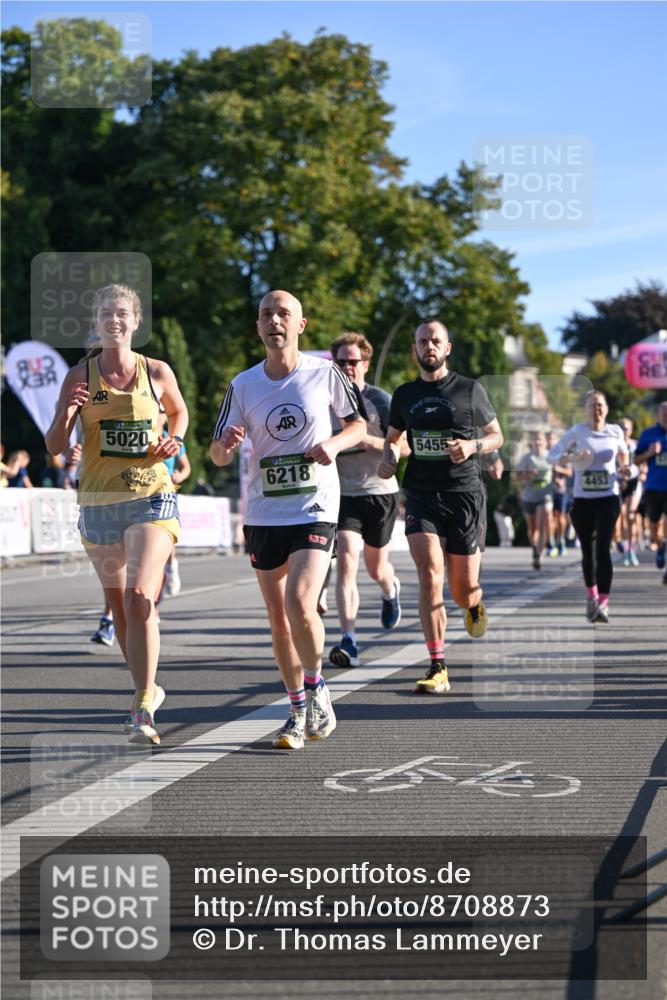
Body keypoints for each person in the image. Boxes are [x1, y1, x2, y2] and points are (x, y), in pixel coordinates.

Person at [210, 289, 365, 749]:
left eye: (283, 313)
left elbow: (358, 425)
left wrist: (334, 445)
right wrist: (226, 445)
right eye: (266, 314)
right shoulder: (243, 385)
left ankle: (316, 687)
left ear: (301, 324)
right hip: (264, 511)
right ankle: (297, 711)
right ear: (258, 326)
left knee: (300, 602)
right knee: (279, 618)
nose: (274, 320)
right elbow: (216, 454)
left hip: (314, 506)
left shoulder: (325, 372)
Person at [45, 283, 188, 744]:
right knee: (121, 610)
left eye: (122, 312)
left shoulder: (157, 370)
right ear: (96, 320)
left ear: (135, 321)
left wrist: (175, 440)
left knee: (140, 597)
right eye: (106, 312)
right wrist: (67, 415)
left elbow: (179, 412)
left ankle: (143, 705)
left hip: (152, 496)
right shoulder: (80, 376)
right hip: (98, 502)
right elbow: (54, 445)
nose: (114, 320)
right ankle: (147, 687)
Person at [378, 319, 503, 694]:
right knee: (430, 573)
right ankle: (438, 665)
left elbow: (496, 436)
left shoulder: (469, 389)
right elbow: (394, 439)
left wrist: (472, 446)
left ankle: (473, 603)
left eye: (435, 341)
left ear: (447, 348)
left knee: (463, 590)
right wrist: (389, 457)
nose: (428, 346)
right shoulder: (405, 394)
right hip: (421, 494)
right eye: (422, 341)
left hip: (464, 495)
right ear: (414, 349)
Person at [327, 332, 407, 668]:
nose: (347, 367)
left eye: (353, 361)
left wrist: (365, 441)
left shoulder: (381, 400)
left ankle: (390, 589)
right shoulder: (324, 400)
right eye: (341, 362)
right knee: (346, 560)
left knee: (376, 568)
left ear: (365, 364)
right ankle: (349, 640)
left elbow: (405, 446)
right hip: (342, 494)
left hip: (379, 492)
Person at [547, 391, 629, 623]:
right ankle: (591, 595)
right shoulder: (576, 432)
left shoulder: (615, 431)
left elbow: (624, 455)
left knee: (603, 548)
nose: (597, 409)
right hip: (583, 501)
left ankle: (603, 602)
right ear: (585, 410)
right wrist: (572, 458)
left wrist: (625, 468)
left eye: (600, 405)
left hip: (608, 498)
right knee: (588, 551)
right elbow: (552, 457)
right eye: (592, 405)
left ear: (607, 408)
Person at [635, 400, 667, 584]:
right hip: (654, 488)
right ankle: (660, 546)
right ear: (658, 415)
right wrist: (649, 453)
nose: (666, 416)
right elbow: (635, 460)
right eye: (664, 413)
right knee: (654, 530)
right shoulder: (648, 435)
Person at [515, 430, 554, 570]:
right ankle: (535, 548)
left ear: (545, 442)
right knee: (533, 530)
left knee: (542, 525)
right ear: (531, 442)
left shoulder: (551, 456)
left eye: (540, 439)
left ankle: (538, 555)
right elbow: (517, 477)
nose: (537, 442)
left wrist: (559, 478)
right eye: (535, 440)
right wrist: (528, 475)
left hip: (545, 496)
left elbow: (561, 470)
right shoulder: (527, 458)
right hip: (529, 496)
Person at [617, 418, 642, 567]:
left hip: (634, 482)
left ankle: (631, 550)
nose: (624, 430)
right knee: (621, 518)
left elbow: (642, 462)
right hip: (619, 483)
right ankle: (625, 547)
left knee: (630, 515)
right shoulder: (614, 445)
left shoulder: (635, 445)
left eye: (626, 428)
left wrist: (643, 472)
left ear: (631, 430)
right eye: (621, 427)